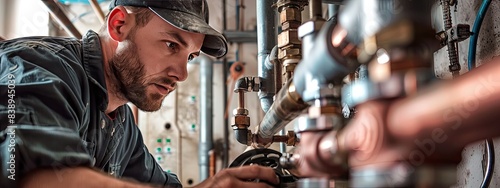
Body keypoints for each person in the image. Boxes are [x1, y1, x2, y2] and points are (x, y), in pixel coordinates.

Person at [0, 0, 278, 187]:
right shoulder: (35, 65)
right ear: (119, 25)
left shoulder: (121, 125)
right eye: (171, 45)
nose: (181, 74)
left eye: (190, 57)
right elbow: (31, 175)